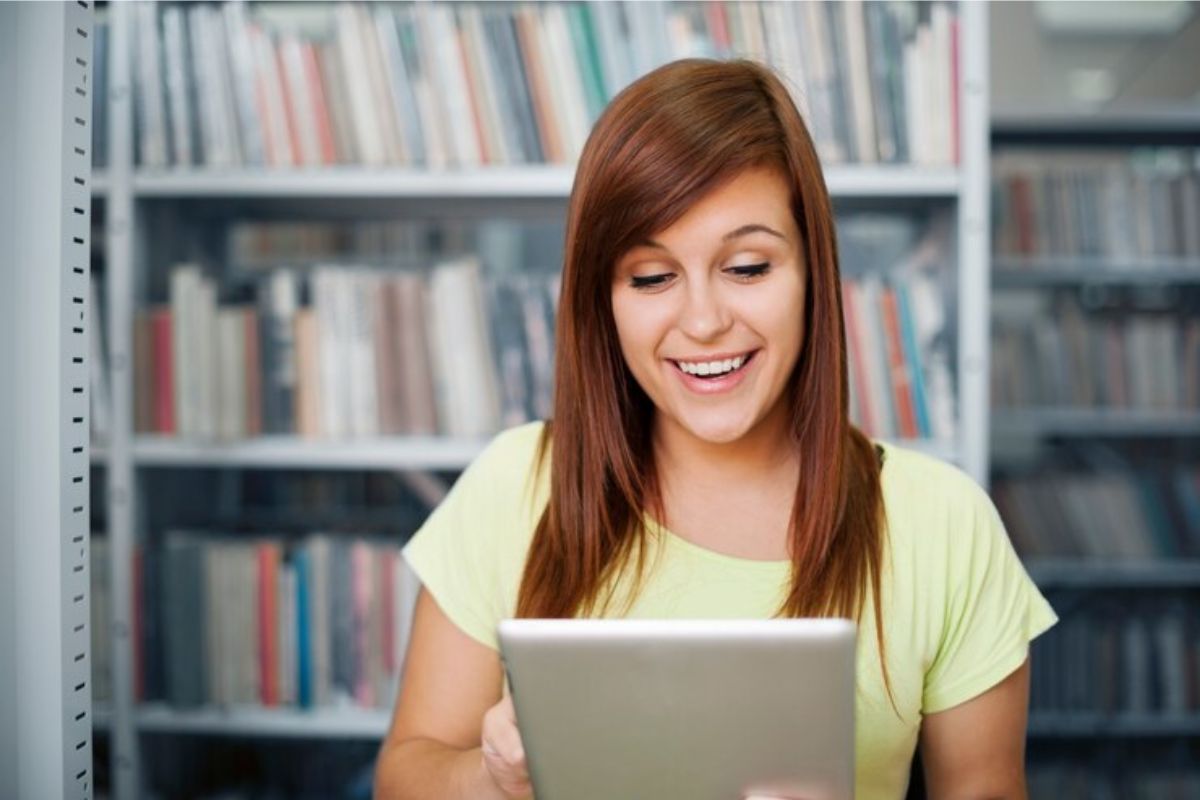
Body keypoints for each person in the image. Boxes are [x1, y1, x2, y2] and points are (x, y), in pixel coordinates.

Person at [373, 57, 1057, 800]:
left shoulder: (942, 522)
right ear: (601, 301)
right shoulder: (516, 485)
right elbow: (405, 774)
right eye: (651, 278)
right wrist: (492, 776)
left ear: (812, 275)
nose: (702, 322)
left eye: (748, 267)